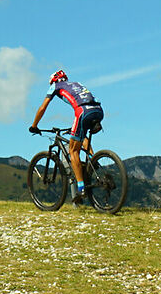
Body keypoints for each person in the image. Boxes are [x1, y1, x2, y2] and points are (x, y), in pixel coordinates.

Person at [28, 70, 104, 201]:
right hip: (98, 110)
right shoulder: (77, 84)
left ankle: (81, 188)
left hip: (83, 111)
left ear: (53, 81)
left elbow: (42, 108)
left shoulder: (55, 86)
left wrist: (34, 126)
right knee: (81, 137)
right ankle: (93, 160)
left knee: (73, 150)